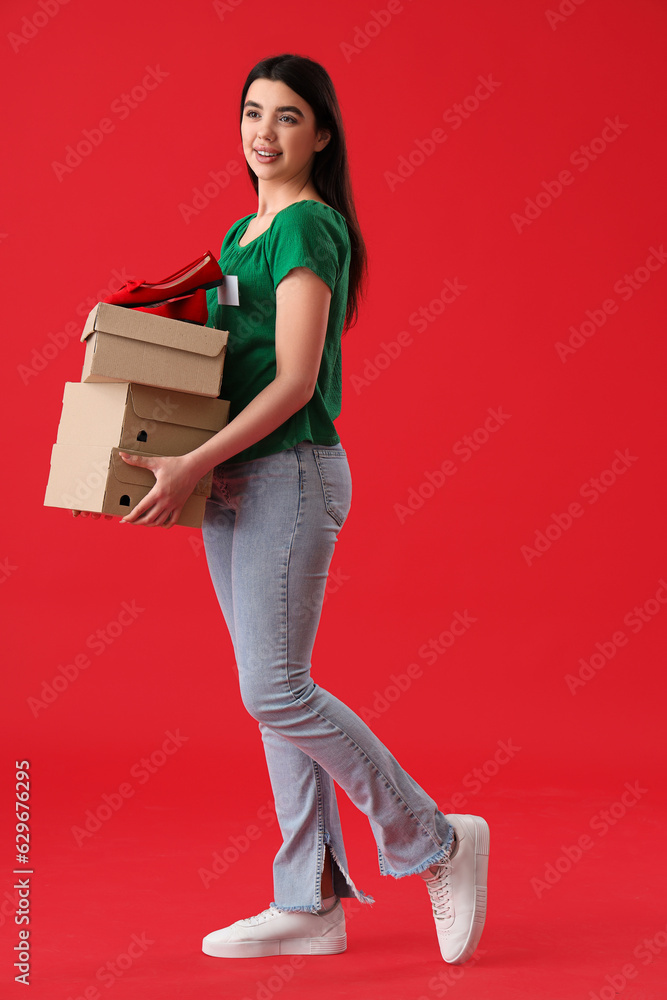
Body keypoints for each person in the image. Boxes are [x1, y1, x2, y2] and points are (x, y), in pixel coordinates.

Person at [108, 53, 490, 964]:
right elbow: (224, 352)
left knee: (272, 687)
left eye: (286, 117)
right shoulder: (244, 234)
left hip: (290, 470)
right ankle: (307, 901)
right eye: (250, 113)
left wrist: (189, 461)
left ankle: (437, 840)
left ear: (321, 133)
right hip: (236, 477)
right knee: (272, 699)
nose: (263, 134)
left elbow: (292, 381)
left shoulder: (309, 227)